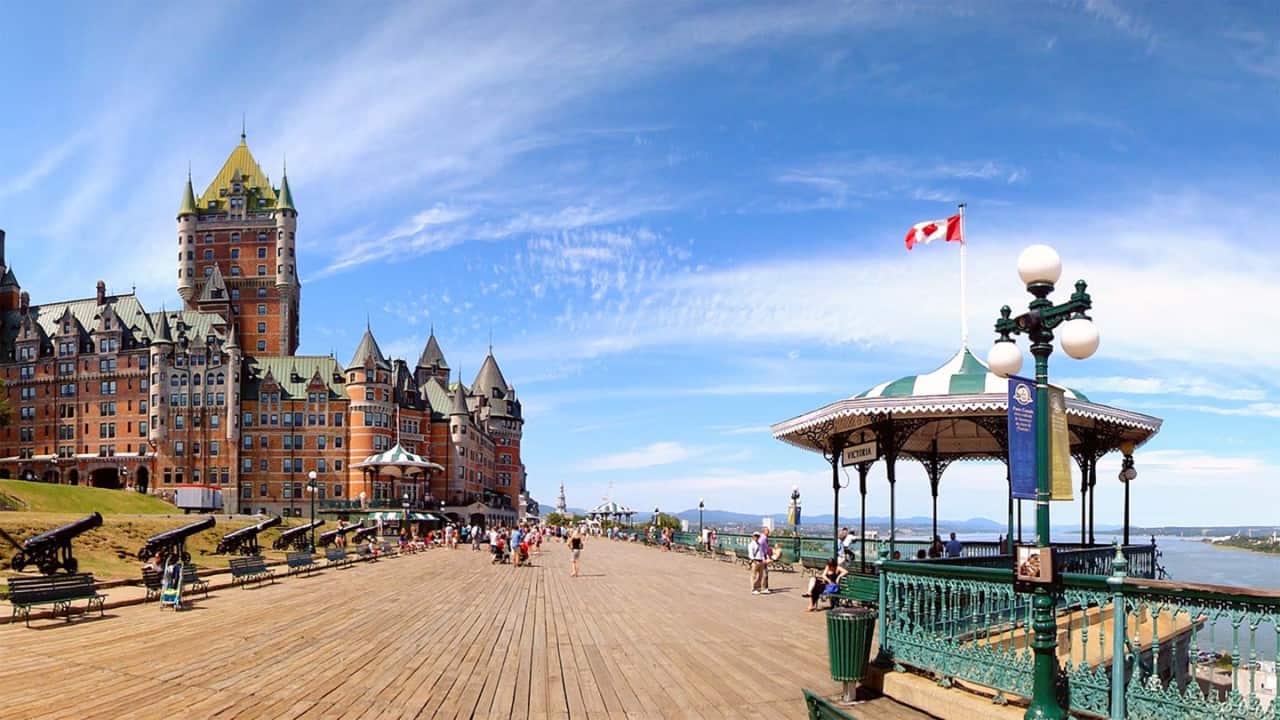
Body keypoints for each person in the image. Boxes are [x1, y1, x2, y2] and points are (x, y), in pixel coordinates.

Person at [757, 528, 772, 593]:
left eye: (768, 531)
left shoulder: (763, 538)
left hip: (763, 556)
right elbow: (761, 548)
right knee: (764, 572)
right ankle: (764, 588)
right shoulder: (763, 539)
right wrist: (763, 558)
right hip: (763, 557)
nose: (768, 532)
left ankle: (761, 587)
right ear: (764, 531)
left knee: (762, 572)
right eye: (767, 531)